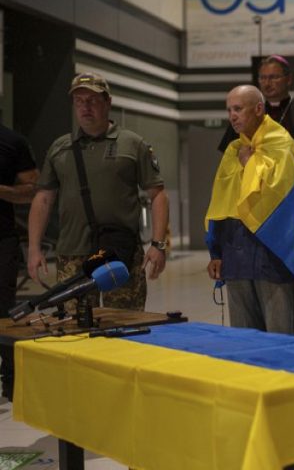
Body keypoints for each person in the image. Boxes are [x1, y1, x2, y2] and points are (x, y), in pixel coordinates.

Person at [28, 72, 169, 311]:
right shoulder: (60, 148)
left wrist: (158, 245)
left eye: (92, 100)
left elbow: (158, 195)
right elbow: (43, 199)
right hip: (72, 255)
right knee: (75, 328)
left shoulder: (132, 144)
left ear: (108, 102)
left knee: (125, 324)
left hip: (119, 252)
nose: (85, 107)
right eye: (79, 101)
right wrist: (33, 248)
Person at [205, 85, 294, 334]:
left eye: (238, 109)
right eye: (229, 110)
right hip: (235, 255)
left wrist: (251, 166)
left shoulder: (281, 144)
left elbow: (285, 200)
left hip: (272, 255)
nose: (232, 116)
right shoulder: (233, 150)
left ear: (259, 109)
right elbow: (221, 203)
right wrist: (215, 252)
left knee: (279, 334)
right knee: (243, 336)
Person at [0, 124, 38, 401]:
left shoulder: (12, 141)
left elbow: (31, 190)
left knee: (3, 312)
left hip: (1, 239)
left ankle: (10, 382)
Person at [218, 55, 294, 150]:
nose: (267, 83)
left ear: (289, 79)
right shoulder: (247, 113)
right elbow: (230, 152)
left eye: (273, 77)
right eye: (263, 78)